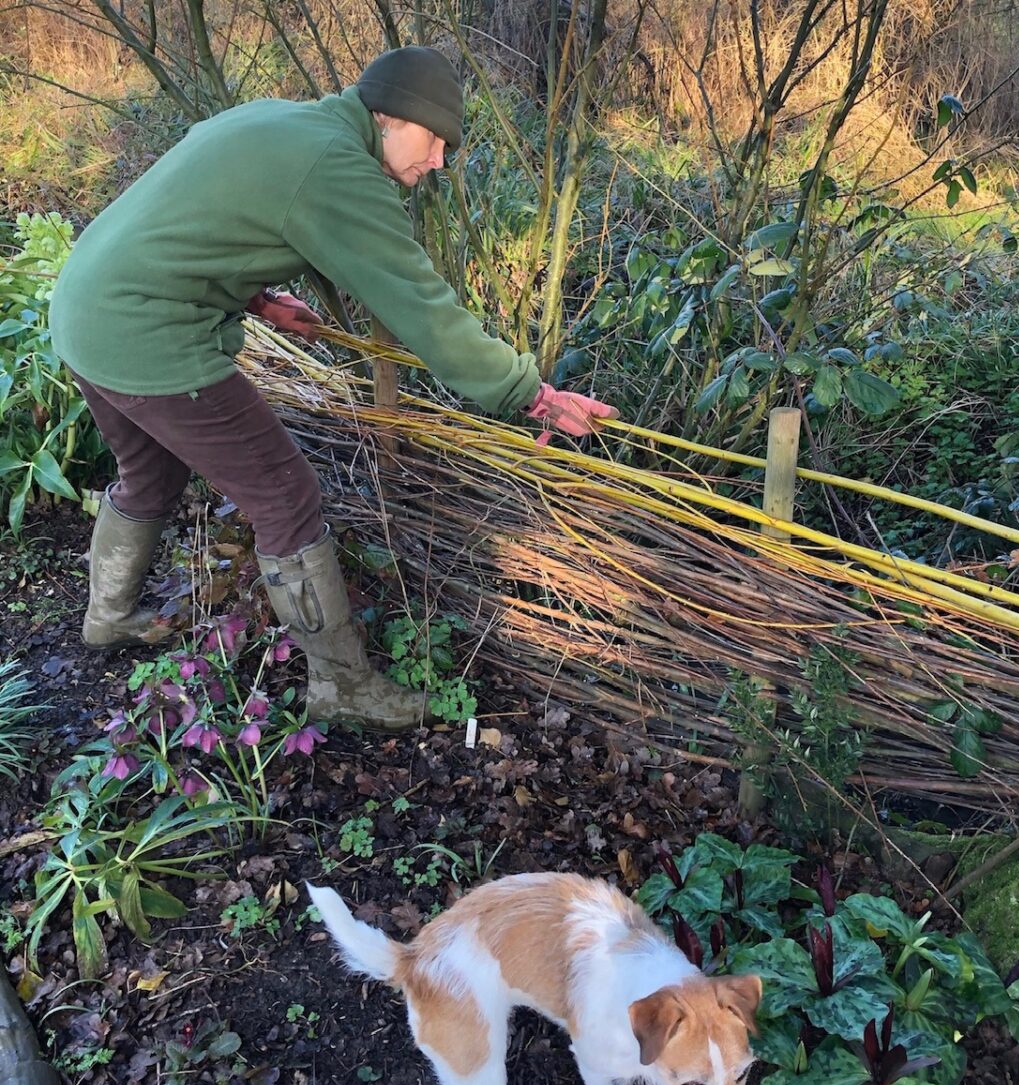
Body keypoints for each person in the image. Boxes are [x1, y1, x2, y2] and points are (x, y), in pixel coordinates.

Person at [48, 45, 618, 732]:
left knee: (148, 471)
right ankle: (342, 687)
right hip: (147, 335)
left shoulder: (285, 122)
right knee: (285, 495)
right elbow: (423, 308)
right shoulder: (338, 170)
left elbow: (198, 215)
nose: (438, 161)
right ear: (387, 117)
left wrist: (257, 299)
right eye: (435, 141)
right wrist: (531, 394)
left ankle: (107, 618)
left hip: (84, 311)